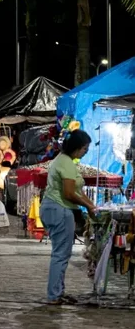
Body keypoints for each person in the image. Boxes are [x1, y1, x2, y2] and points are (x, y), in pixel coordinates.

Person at [40, 130, 96, 305]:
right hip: (60, 209)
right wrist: (88, 206)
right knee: (61, 255)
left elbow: (77, 191)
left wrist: (92, 206)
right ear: (77, 147)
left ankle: (58, 291)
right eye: (85, 148)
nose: (86, 151)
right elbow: (70, 193)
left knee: (61, 253)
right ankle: (54, 295)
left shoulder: (64, 161)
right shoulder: (66, 163)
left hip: (55, 208)